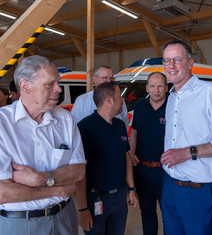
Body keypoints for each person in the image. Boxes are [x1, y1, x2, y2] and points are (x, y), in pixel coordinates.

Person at [160, 40, 212, 235]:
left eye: (177, 60)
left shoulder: (209, 92)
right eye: (166, 60)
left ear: (190, 63)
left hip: (198, 190)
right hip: (170, 185)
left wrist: (187, 153)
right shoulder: (171, 97)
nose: (171, 66)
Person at [0, 55, 86, 235]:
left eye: (58, 82)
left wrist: (42, 178)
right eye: (50, 84)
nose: (58, 89)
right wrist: (59, 188)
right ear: (25, 86)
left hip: (65, 216)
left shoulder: (65, 119)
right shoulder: (2, 124)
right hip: (20, 224)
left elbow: (79, 170)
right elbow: (3, 193)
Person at [76, 82, 138, 235]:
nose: (123, 100)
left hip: (119, 197)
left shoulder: (119, 125)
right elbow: (79, 172)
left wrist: (131, 189)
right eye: (119, 97)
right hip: (95, 199)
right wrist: (82, 208)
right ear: (109, 101)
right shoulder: (85, 128)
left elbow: (127, 157)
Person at [129, 72, 168, 235]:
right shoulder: (139, 107)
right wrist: (131, 153)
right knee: (147, 212)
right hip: (143, 170)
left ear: (166, 88)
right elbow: (134, 132)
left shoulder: (173, 106)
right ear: (147, 88)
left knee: (169, 214)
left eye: (160, 86)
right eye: (152, 86)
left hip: (167, 171)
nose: (156, 90)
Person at [71, 65, 128, 130]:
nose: (109, 81)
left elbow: (124, 127)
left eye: (111, 78)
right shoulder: (81, 101)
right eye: (105, 78)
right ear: (95, 79)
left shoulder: (120, 102)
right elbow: (74, 128)